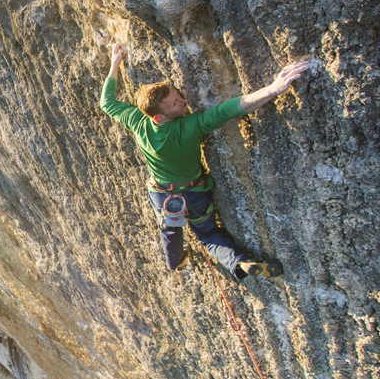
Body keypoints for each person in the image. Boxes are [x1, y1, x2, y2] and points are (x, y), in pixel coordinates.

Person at [100, 42, 310, 278]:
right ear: (159, 115)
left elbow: (107, 102)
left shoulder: (138, 120)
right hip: (194, 195)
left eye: (177, 95)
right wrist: (272, 89)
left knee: (170, 228)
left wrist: (114, 64)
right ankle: (239, 264)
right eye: (175, 103)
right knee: (208, 235)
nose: (182, 101)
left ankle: (177, 261)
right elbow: (231, 109)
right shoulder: (188, 127)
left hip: (161, 193)